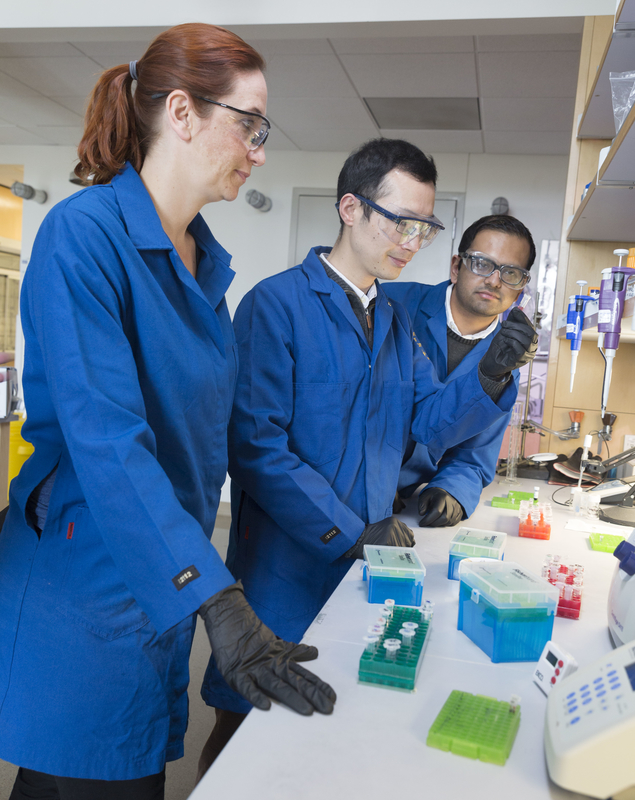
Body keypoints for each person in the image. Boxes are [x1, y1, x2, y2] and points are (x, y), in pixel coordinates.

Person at [0, 23, 335, 800]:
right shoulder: (82, 236)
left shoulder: (204, 262)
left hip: (159, 576)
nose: (259, 149)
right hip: (86, 576)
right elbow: (108, 439)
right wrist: (214, 593)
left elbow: (212, 433)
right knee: (94, 778)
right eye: (248, 125)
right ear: (181, 113)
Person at [198, 139, 537, 774]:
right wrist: (352, 532)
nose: (413, 241)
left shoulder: (391, 321)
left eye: (426, 226)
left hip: (365, 564)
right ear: (350, 208)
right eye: (400, 221)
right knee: (243, 724)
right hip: (284, 567)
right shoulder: (277, 304)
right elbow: (256, 448)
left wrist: (490, 373)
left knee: (328, 725)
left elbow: (430, 424)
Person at [385, 214, 535, 527]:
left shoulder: (504, 364)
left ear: (520, 289)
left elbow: (476, 452)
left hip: (406, 510)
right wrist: (372, 481)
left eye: (510, 273)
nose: (494, 281)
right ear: (456, 267)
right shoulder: (394, 306)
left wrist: (450, 490)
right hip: (346, 489)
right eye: (482, 263)